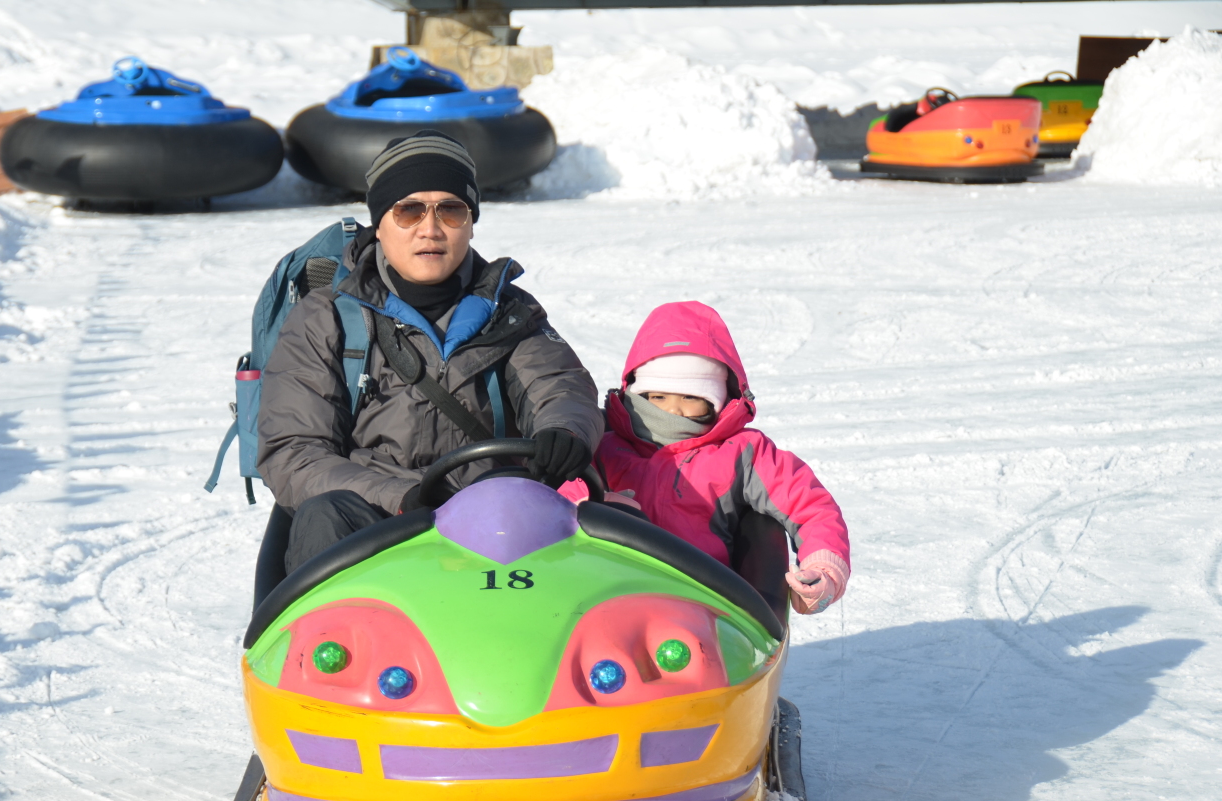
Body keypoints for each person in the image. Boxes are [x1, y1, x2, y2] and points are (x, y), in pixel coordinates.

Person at [258, 130, 603, 572]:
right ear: (379, 222)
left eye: (451, 210)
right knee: (325, 514)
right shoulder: (325, 318)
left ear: (472, 221)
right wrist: (403, 498)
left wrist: (565, 432)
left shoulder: (509, 311)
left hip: (494, 521)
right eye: (409, 210)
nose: (431, 228)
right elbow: (295, 451)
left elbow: (560, 387)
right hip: (376, 522)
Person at [594, 301, 851, 615]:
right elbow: (553, 498)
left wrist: (823, 570)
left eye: (690, 398)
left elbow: (810, 505)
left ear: (715, 401)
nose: (673, 411)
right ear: (636, 395)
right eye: (658, 397)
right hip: (608, 600)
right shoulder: (605, 448)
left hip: (706, 608)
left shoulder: (741, 453)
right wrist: (587, 505)